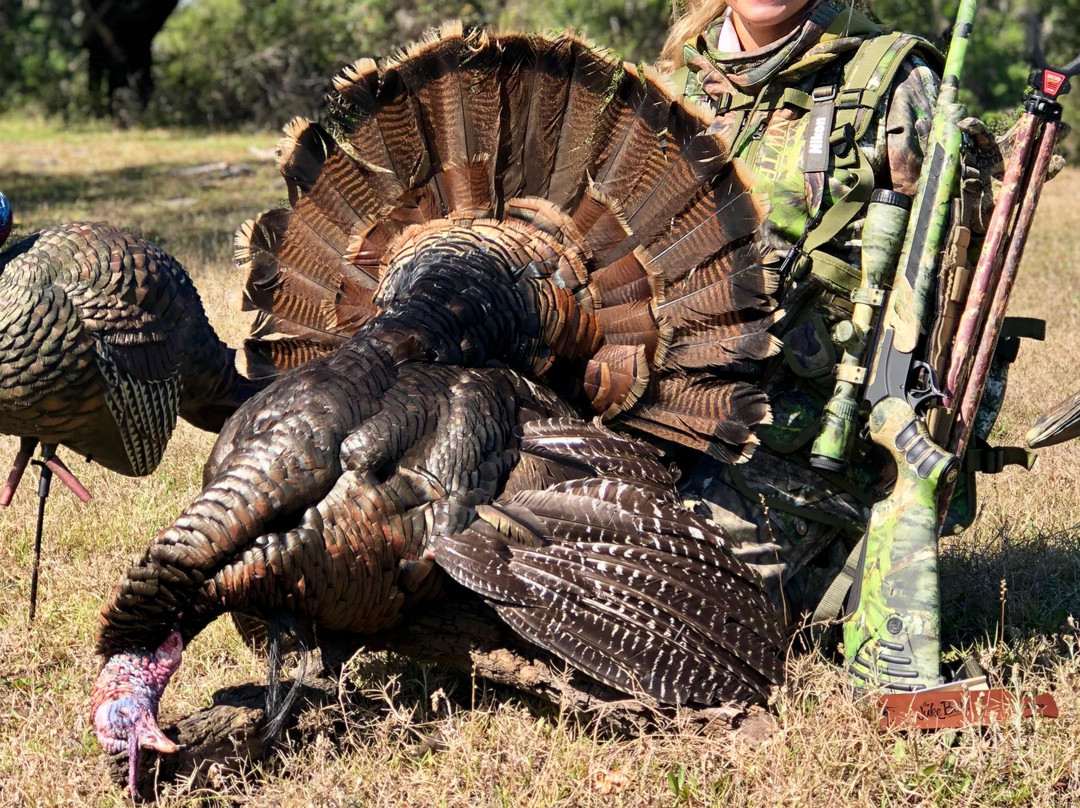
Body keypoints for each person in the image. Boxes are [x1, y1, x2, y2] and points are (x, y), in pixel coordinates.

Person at [659, 0, 949, 626]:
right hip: (662, 410)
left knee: (657, 601)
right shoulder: (674, 83)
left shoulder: (892, 83)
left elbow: (943, 316)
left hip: (800, 445)